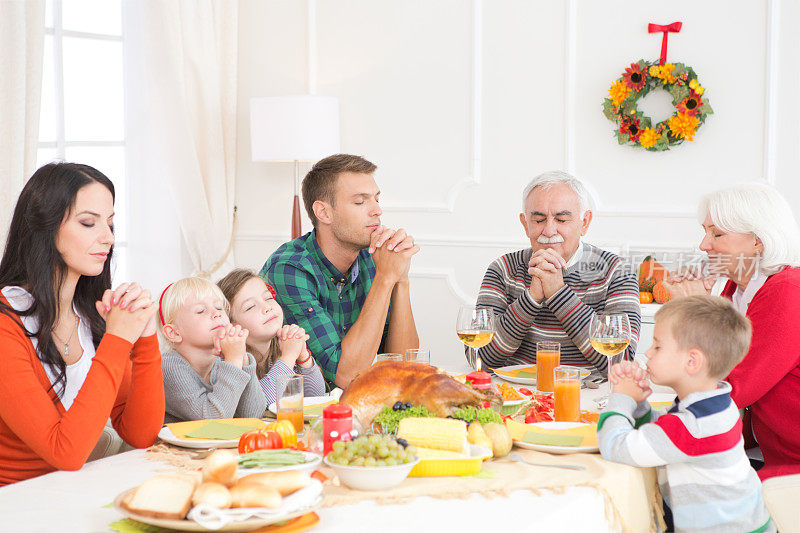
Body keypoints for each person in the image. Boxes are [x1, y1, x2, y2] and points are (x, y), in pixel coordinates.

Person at [0, 163, 164, 485]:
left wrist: (144, 337)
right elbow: (65, 451)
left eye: (111, 224)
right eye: (89, 223)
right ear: (44, 227)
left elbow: (141, 433)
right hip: (19, 505)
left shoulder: (91, 314)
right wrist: (118, 340)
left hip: (77, 491)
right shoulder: (6, 322)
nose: (108, 238)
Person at [598, 296, 774, 533]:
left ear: (692, 361)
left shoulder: (694, 426)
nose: (647, 353)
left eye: (658, 346)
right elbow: (663, 432)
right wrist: (640, 405)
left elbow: (615, 447)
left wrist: (622, 398)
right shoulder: (715, 404)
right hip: (747, 523)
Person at [663, 183, 800, 480]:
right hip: (749, 448)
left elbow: (731, 389)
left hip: (787, 465)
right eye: (706, 232)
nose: (703, 244)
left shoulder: (787, 292)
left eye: (717, 234)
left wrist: (691, 314)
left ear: (758, 241)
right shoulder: (734, 289)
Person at [261, 154, 420, 387]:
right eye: (360, 202)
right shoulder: (290, 269)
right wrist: (386, 279)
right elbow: (345, 377)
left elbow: (405, 365)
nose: (377, 210)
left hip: (352, 408)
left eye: (377, 199)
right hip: (298, 411)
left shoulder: (374, 259)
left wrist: (400, 278)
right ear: (324, 213)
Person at [476, 171, 640, 373]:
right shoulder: (502, 269)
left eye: (561, 220)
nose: (549, 231)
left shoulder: (617, 271)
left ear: (584, 223)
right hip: (516, 394)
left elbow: (620, 362)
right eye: (538, 220)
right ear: (525, 224)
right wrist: (531, 298)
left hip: (588, 396)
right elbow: (480, 358)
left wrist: (558, 293)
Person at [159, 277, 267, 423]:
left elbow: (252, 415)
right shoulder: (169, 367)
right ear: (174, 333)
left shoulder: (223, 360)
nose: (217, 314)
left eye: (219, 307)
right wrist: (233, 361)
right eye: (201, 311)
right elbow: (213, 420)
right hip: (167, 446)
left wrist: (242, 358)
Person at [217, 268, 326, 405]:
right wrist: (288, 357)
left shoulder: (279, 349)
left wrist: (303, 357)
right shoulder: (234, 361)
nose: (267, 307)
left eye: (268, 297)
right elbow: (261, 403)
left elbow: (315, 396)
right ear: (231, 324)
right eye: (250, 306)